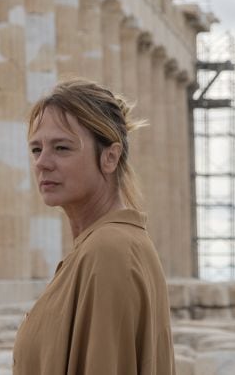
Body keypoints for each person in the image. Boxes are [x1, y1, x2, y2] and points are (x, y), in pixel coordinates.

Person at [12, 79, 176, 375]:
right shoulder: (105, 246)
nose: (42, 163)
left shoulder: (109, 251)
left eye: (61, 148)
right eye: (36, 149)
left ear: (109, 157)